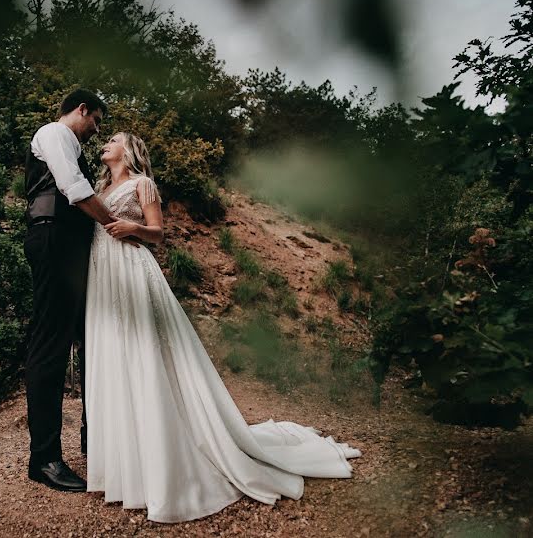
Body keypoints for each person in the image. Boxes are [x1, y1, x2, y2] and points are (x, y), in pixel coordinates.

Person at [84, 131, 362, 523]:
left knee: (144, 351)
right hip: (104, 274)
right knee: (116, 353)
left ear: (128, 151)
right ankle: (125, 463)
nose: (106, 142)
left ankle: (168, 461)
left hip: (131, 269)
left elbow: (158, 234)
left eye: (114, 139)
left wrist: (133, 230)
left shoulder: (142, 183)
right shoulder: (100, 186)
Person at [22, 88, 137, 492]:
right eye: (98, 121)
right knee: (50, 344)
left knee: (90, 340)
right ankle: (45, 459)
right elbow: (72, 188)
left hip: (71, 250)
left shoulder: (74, 147)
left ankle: (95, 439)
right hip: (52, 241)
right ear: (82, 110)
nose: (98, 130)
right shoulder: (53, 133)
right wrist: (114, 225)